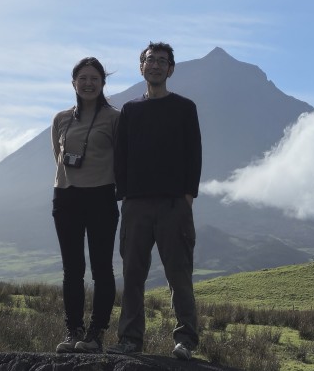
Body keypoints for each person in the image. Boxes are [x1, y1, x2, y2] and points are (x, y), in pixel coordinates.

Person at [108, 42, 202, 361]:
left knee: (179, 273)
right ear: (142, 68)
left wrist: (188, 196)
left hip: (175, 204)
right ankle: (130, 340)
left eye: (163, 61)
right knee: (133, 273)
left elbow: (194, 154)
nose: (156, 65)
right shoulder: (131, 110)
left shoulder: (185, 108)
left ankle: (186, 340)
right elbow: (120, 155)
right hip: (135, 204)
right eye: (151, 60)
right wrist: (124, 195)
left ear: (171, 69)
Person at [51, 57, 120, 354]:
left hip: (101, 197)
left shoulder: (115, 118)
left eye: (94, 78)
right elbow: (58, 154)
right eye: (83, 78)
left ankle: (96, 333)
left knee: (101, 269)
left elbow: (123, 158)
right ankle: (73, 330)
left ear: (103, 82)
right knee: (72, 269)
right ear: (73, 83)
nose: (88, 83)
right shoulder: (61, 118)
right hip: (66, 196)